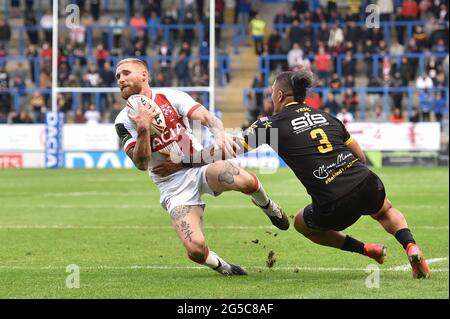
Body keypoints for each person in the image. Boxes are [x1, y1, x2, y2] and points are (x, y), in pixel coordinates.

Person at [158, 70, 431, 279]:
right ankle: (411, 247)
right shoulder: (326, 116)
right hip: (365, 180)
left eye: (270, 93)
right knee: (384, 210)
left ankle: (366, 249)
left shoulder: (271, 125)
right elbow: (359, 156)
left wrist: (185, 161)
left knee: (302, 223)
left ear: (279, 96)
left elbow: (227, 150)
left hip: (334, 200)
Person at [113, 58, 289, 277]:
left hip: (197, 165)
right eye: (118, 76)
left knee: (244, 180)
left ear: (144, 76)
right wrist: (142, 129)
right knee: (196, 250)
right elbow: (140, 164)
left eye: (125, 73)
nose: (120, 79)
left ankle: (269, 207)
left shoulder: (170, 96)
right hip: (172, 185)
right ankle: (224, 267)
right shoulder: (123, 121)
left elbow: (206, 117)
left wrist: (220, 133)